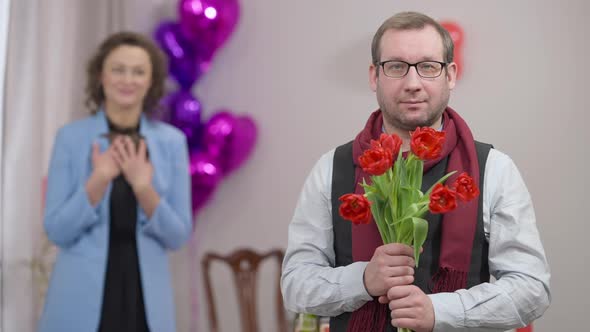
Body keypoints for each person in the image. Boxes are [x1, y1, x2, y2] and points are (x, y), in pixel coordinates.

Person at [281, 11, 550, 332]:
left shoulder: (494, 168)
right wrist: (363, 279)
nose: (412, 83)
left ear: (450, 75)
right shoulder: (331, 168)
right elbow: (295, 285)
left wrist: (441, 311)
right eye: (395, 67)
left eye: (428, 66)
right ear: (374, 76)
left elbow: (532, 288)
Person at [38, 32, 193, 332]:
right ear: (101, 76)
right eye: (118, 69)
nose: (128, 79)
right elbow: (57, 231)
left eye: (138, 72)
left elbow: (178, 236)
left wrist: (143, 187)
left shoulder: (172, 142)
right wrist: (99, 179)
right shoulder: (70, 138)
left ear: (151, 82)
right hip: (79, 300)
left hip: (145, 302)